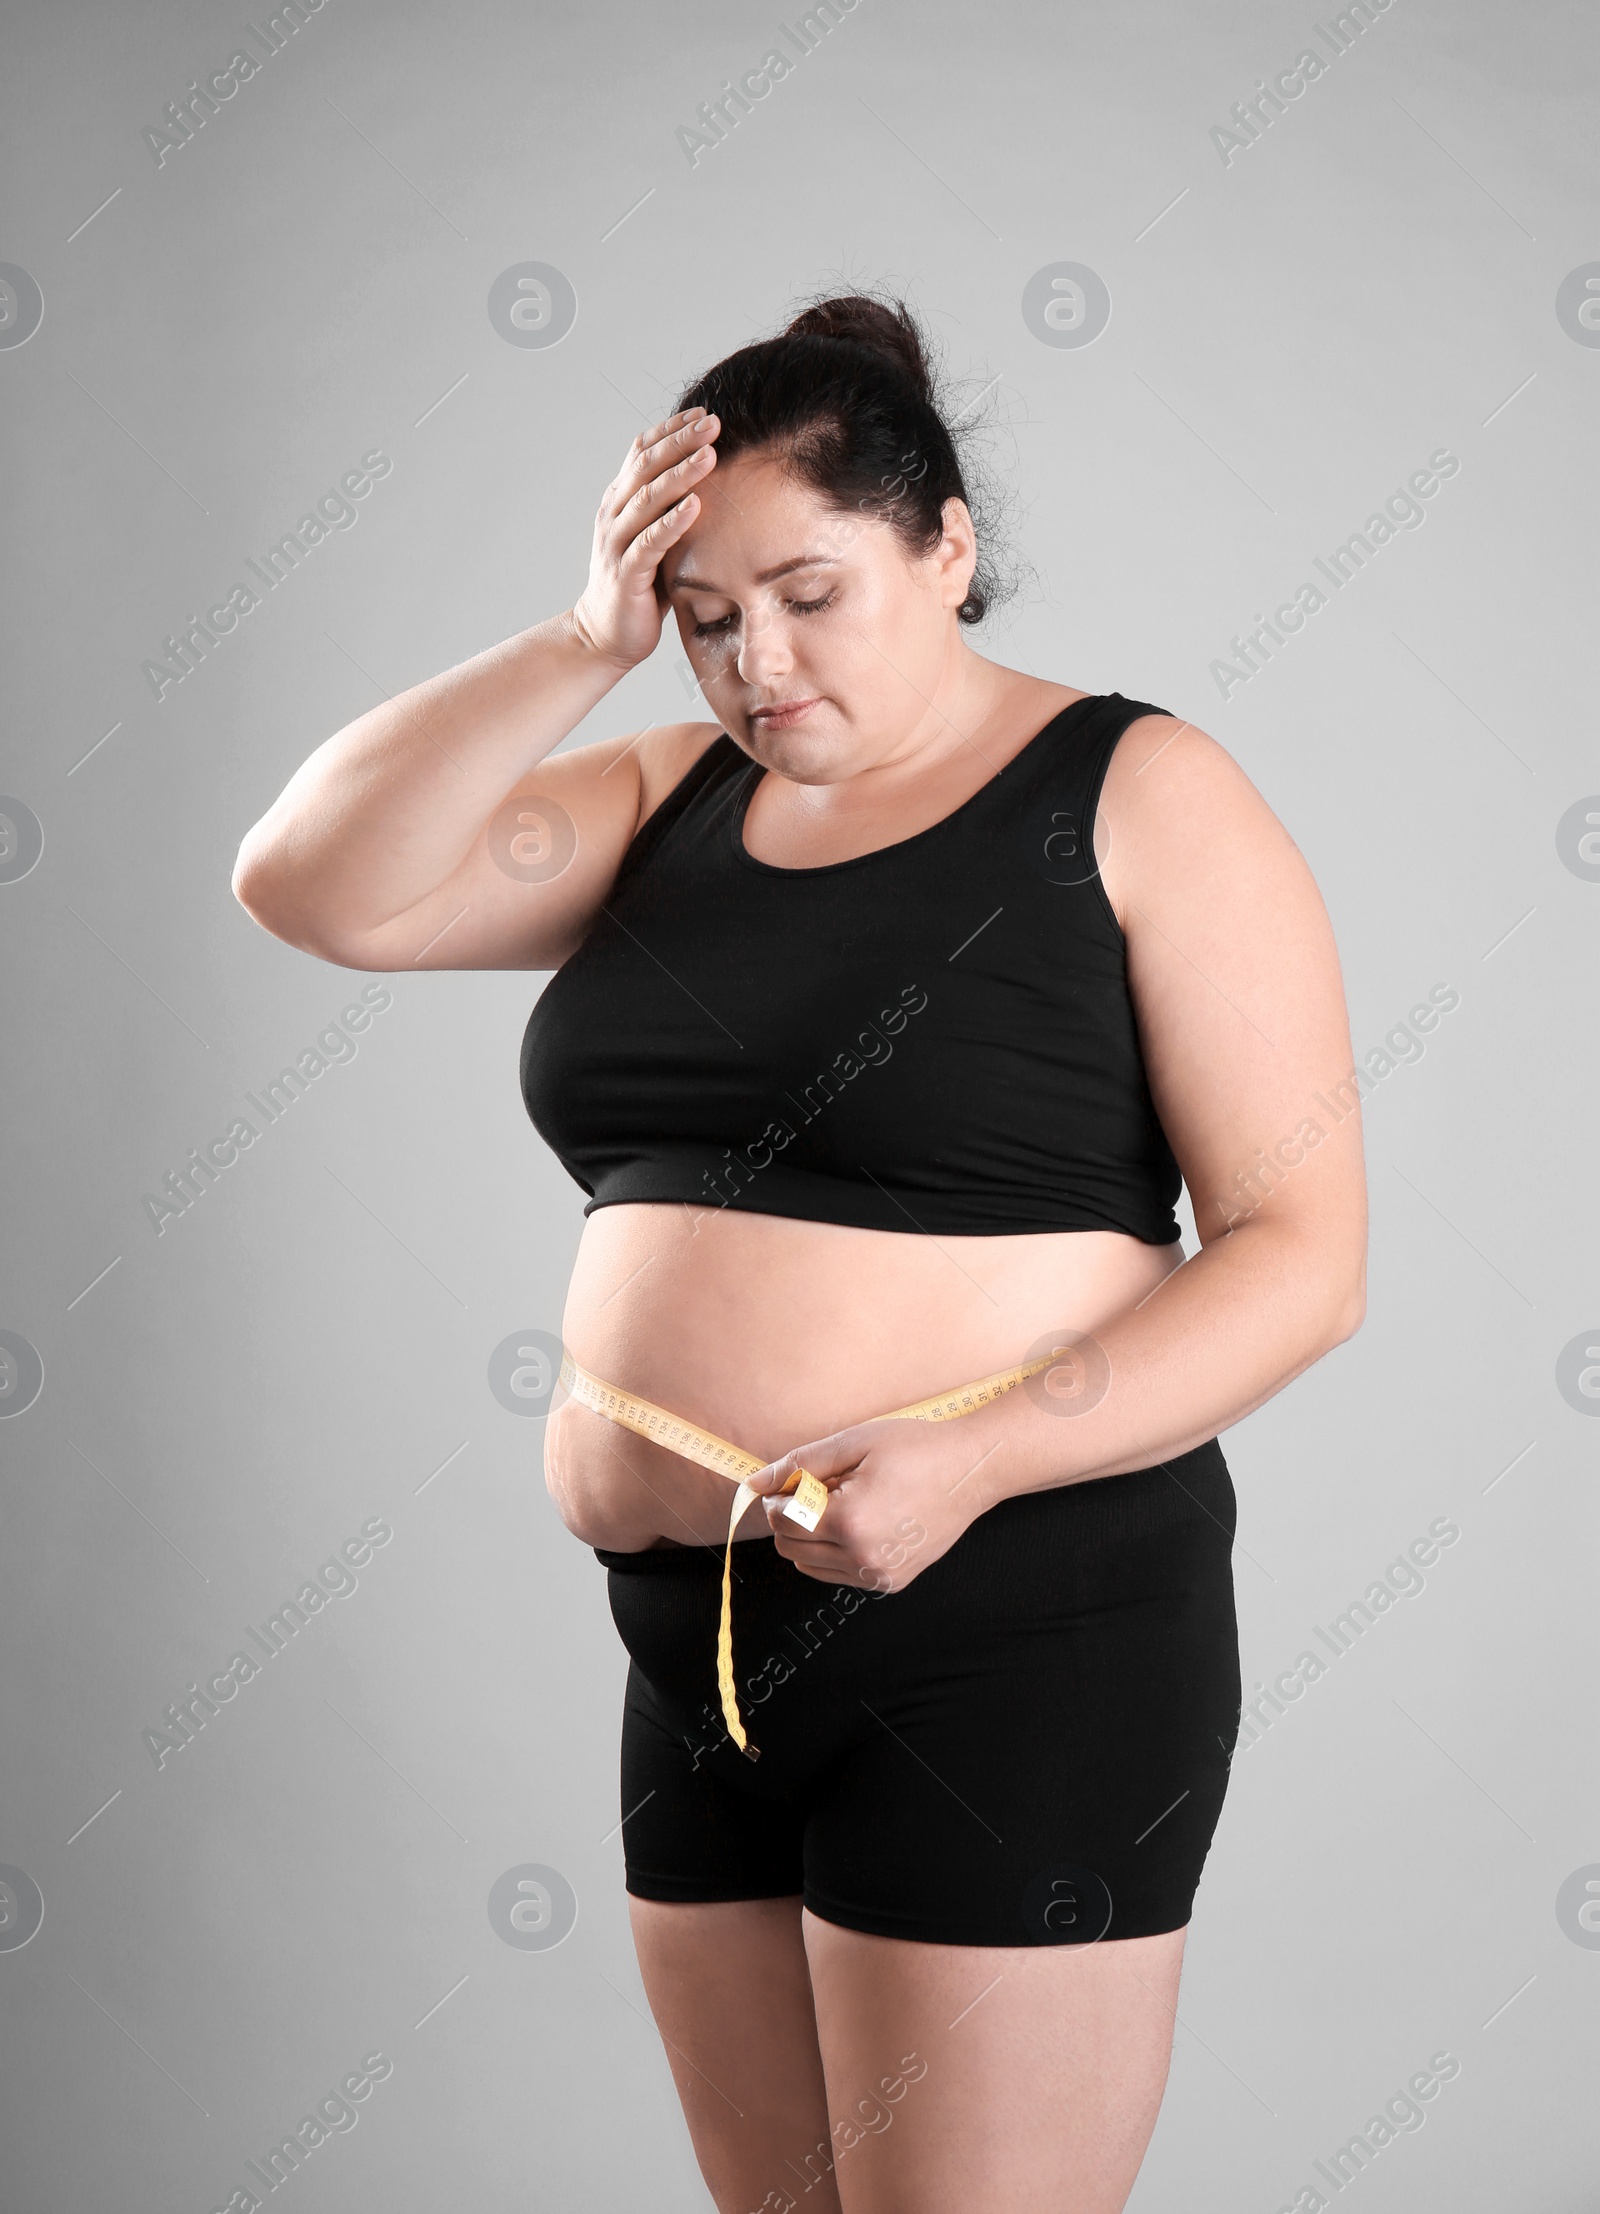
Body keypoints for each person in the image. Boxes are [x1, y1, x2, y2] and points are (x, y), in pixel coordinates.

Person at [233, 292, 1367, 2213]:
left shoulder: (1137, 794)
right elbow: (312, 880)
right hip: (701, 1653)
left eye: (811, 591)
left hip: (1018, 1623)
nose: (756, 661)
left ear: (947, 546)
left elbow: (1301, 1255)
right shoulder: (669, 804)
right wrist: (581, 643)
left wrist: (974, 1456)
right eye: (702, 615)